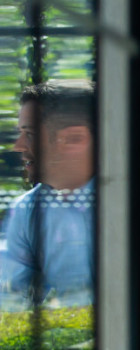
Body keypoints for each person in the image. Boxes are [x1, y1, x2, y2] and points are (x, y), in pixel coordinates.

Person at [0, 80, 95, 307]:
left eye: (29, 134)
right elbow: (9, 301)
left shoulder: (138, 198)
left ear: (75, 139)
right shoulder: (27, 210)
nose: (19, 146)